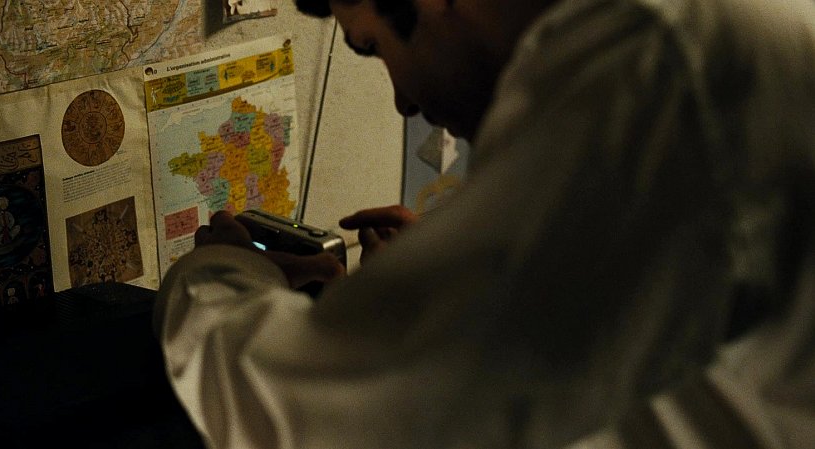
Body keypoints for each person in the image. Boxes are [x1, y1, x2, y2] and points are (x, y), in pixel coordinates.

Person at [154, 0, 815, 447]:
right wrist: (439, 289)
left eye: (373, 46)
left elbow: (316, 421)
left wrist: (219, 275)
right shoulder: (694, 31)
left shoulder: (647, 61)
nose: (401, 98)